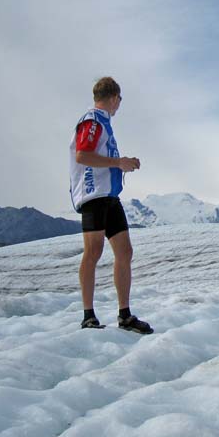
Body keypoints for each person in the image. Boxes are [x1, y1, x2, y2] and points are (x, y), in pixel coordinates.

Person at [69, 77, 153, 334]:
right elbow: (83, 155)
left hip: (109, 196)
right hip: (94, 195)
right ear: (114, 97)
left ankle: (124, 314)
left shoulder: (102, 122)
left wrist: (122, 163)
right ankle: (88, 315)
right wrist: (118, 163)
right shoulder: (93, 121)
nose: (119, 105)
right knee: (93, 251)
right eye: (120, 100)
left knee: (124, 252)